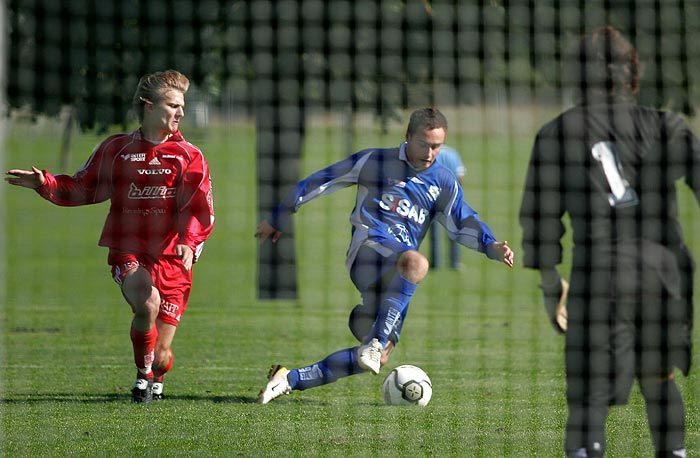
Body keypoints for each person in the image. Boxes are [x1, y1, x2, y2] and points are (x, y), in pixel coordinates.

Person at [255, 106, 514, 404]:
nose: (429, 153)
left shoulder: (443, 180)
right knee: (416, 262)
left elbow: (463, 221)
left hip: (399, 271)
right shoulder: (376, 161)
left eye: (436, 146)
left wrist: (492, 245)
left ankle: (288, 378)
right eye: (423, 144)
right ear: (407, 137)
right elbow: (323, 179)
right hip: (368, 250)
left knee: (380, 357)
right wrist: (280, 215)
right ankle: (375, 340)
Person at [519, 26, 696, 457]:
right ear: (633, 74)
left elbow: (540, 219)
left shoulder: (557, 134)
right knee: (659, 378)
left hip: (601, 274)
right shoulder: (665, 124)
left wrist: (549, 287)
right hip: (664, 274)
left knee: (589, 392)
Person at [5, 70, 216, 403]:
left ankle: (154, 371)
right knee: (147, 301)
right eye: (173, 105)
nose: (181, 113)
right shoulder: (118, 149)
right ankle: (143, 377)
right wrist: (46, 183)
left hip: (173, 260)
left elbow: (199, 208)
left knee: (162, 353)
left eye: (182, 106)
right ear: (149, 107)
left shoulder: (189, 156)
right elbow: (83, 187)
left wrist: (189, 241)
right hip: (127, 250)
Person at [428, 145, 466, 269]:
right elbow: (460, 175)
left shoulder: (430, 154)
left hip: (434, 197)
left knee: (434, 234)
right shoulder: (452, 153)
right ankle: (454, 263)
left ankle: (435, 263)